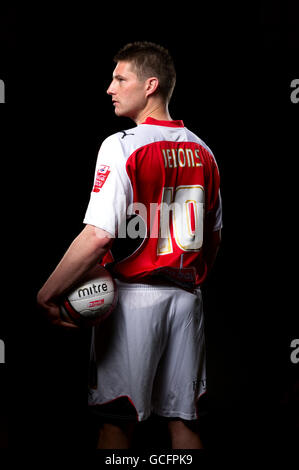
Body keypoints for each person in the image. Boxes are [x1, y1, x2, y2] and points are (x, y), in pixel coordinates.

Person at [37, 41, 222, 449]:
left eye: (121, 78)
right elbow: (214, 238)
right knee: (183, 422)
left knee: (117, 421)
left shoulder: (121, 145)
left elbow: (98, 234)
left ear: (150, 85)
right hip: (188, 300)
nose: (110, 88)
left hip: (133, 301)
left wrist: (47, 295)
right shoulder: (204, 151)